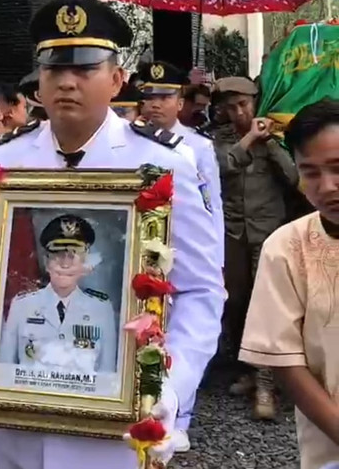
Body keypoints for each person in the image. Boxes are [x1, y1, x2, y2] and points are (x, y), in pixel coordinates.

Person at [0, 0, 226, 469]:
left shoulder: (162, 165)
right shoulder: (2, 164)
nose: (67, 82)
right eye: (54, 69)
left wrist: (167, 391)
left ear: (117, 79)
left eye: (85, 68)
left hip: (113, 419)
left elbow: (200, 290)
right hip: (16, 411)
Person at [239, 99, 339, 469]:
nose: (327, 186)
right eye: (310, 172)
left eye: (337, 168)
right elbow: (284, 360)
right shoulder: (287, 247)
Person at [138, 61, 224, 451]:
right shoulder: (135, 143)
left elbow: (211, 208)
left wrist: (216, 257)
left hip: (184, 247)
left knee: (181, 323)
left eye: (165, 96)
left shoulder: (197, 147)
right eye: (149, 96)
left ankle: (181, 412)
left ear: (180, 101)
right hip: (145, 249)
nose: (155, 104)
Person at [214, 76, 299, 420]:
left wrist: (272, 145)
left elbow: (294, 179)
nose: (238, 112)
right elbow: (223, 167)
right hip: (233, 233)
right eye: (231, 107)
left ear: (255, 103)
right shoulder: (220, 140)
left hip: (267, 233)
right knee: (235, 302)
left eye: (244, 105)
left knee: (266, 305)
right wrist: (249, 139)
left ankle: (266, 385)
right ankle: (248, 370)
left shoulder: (275, 138)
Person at [0, 214, 117, 373]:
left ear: (83, 263)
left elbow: (106, 374)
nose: (65, 264)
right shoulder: (22, 306)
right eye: (57, 255)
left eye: (72, 256)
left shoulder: (101, 309)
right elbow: (5, 369)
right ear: (46, 262)